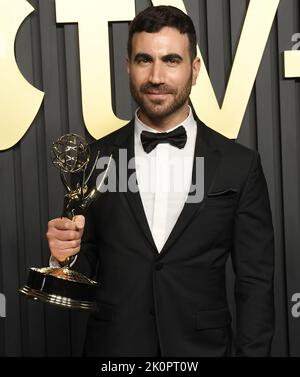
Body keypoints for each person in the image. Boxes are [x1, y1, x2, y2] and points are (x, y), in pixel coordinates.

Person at [47, 5, 274, 357]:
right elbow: (87, 256)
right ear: (127, 67)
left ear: (194, 69)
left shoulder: (238, 165)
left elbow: (256, 283)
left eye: (171, 60)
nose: (156, 76)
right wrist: (66, 258)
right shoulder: (94, 159)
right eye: (143, 60)